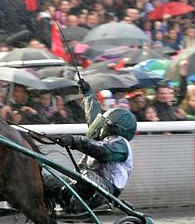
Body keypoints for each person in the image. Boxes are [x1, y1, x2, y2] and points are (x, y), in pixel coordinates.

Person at [49, 78, 137, 213]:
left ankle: (80, 206)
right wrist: (88, 93)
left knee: (87, 175)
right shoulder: (102, 135)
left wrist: (74, 141)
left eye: (105, 123)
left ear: (113, 127)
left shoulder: (121, 145)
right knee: (50, 179)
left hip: (105, 191)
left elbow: (101, 151)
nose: (101, 126)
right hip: (86, 183)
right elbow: (94, 116)